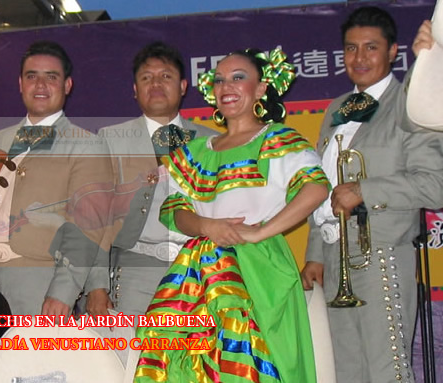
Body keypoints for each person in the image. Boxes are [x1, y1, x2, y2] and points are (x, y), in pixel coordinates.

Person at [134, 48, 329, 382]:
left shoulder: (278, 140)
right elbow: (174, 210)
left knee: (260, 360)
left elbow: (316, 189)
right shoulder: (193, 152)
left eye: (239, 77)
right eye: (220, 80)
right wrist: (206, 226)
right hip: (197, 270)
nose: (227, 86)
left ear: (261, 88)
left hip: (259, 268)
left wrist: (258, 233)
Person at [301, 7, 443, 383]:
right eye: (350, 49)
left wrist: (365, 190)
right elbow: (324, 185)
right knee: (345, 372)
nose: (359, 58)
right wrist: (315, 254)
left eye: (371, 48)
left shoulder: (409, 104)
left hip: (382, 252)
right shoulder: (335, 109)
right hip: (335, 259)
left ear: (393, 51)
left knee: (388, 370)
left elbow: (435, 183)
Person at [0, 40, 114, 317]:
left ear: (67, 85)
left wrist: (63, 291)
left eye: (51, 77)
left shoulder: (87, 145)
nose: (40, 85)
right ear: (20, 84)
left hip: (39, 283)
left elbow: (87, 228)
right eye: (31, 76)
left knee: (35, 361)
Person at [83, 41, 217, 319]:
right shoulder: (109, 140)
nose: (156, 83)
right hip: (133, 272)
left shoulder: (211, 142)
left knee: (193, 359)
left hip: (197, 270)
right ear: (135, 90)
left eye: (165, 76)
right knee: (133, 358)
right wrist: (97, 286)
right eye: (146, 78)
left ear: (182, 86)